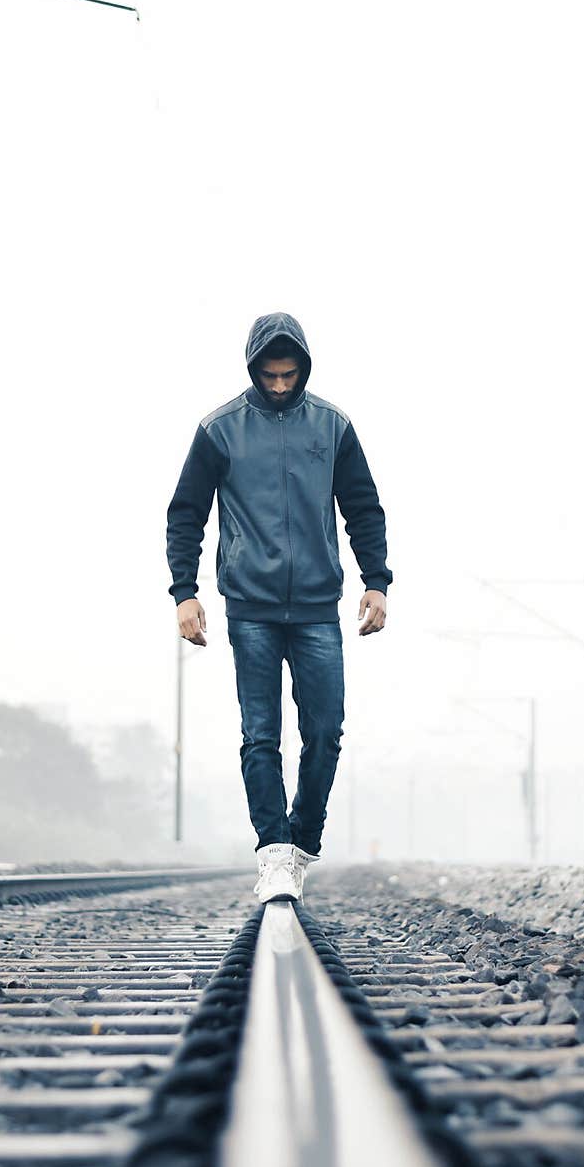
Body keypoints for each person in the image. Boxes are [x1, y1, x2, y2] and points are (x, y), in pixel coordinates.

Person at [165, 311, 393, 903]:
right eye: (270, 376)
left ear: (304, 370)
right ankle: (272, 853)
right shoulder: (220, 430)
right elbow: (185, 514)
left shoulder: (333, 426)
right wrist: (185, 593)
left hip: (318, 605)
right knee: (260, 734)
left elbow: (363, 507)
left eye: (290, 375)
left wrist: (377, 581)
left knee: (325, 732)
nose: (280, 385)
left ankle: (301, 844)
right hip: (251, 606)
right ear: (253, 369)